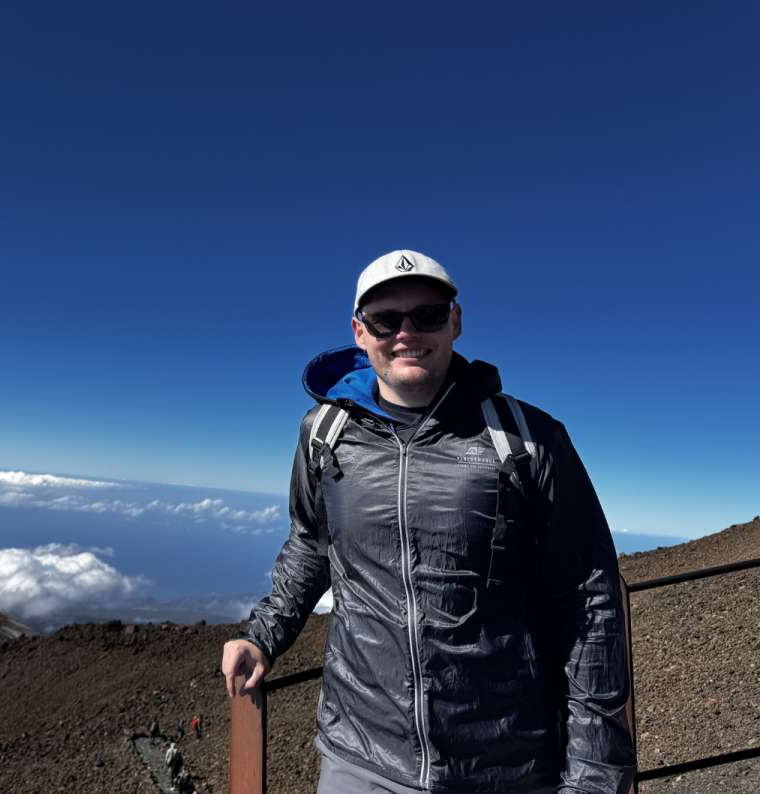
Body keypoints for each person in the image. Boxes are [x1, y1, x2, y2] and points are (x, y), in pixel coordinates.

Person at [220, 250, 636, 793]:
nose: (406, 333)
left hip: (507, 764)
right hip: (361, 757)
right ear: (359, 332)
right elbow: (311, 545)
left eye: (428, 315)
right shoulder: (324, 435)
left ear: (455, 321)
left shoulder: (525, 439)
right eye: (386, 320)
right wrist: (264, 634)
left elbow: (589, 596)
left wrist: (597, 773)